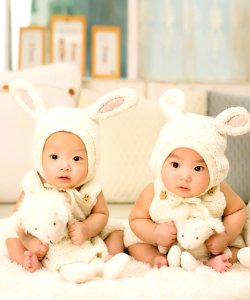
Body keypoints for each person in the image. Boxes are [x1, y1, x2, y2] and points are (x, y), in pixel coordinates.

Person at [5, 79, 137, 282]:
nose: (65, 166)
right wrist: (29, 240)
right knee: (12, 240)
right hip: (45, 238)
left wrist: (86, 228)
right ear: (40, 156)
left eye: (76, 159)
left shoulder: (89, 188)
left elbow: (101, 214)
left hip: (83, 237)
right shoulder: (35, 184)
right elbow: (20, 217)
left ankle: (108, 259)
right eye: (54, 157)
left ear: (91, 160)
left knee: (117, 231)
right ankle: (30, 260)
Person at [125, 88, 250, 273]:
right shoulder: (154, 191)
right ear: (161, 162)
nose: (185, 176)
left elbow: (238, 210)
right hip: (164, 246)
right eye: (175, 165)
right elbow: (136, 218)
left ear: (214, 171)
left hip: (209, 248)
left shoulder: (218, 190)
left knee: (235, 249)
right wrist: (155, 233)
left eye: (198, 168)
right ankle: (157, 260)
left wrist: (224, 236)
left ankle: (214, 262)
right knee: (134, 244)